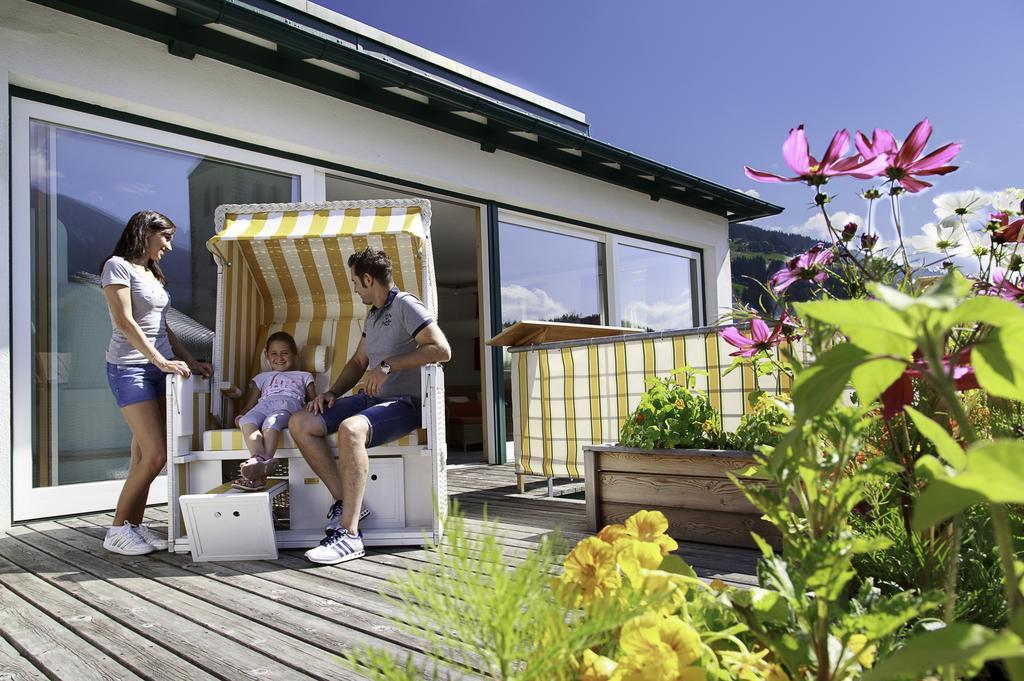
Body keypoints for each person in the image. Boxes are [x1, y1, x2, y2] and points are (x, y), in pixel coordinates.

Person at [289, 247, 450, 565]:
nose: (354, 288)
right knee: (301, 422)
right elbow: (359, 361)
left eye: (354, 282)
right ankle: (346, 501)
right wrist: (331, 392)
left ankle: (349, 536)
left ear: (367, 279)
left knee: (351, 429)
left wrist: (388, 365)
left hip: (406, 403)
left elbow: (441, 349)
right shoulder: (373, 314)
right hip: (370, 399)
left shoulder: (406, 304)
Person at [100, 210, 212, 555]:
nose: (169, 245)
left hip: (158, 370)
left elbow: (163, 327)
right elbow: (124, 321)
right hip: (129, 369)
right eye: (165, 237)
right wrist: (159, 360)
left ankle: (134, 524)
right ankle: (116, 530)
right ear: (145, 233)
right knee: (156, 453)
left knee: (141, 453)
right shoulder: (116, 266)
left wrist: (191, 361)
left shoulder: (150, 273)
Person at [231, 331, 315, 491]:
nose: (279, 358)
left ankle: (257, 473)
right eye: (274, 354)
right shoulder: (262, 377)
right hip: (264, 405)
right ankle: (260, 462)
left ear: (294, 354)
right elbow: (251, 404)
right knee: (247, 420)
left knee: (271, 422)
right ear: (267, 356)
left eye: (285, 353)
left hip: (288, 405)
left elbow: (313, 401)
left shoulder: (304, 376)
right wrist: (242, 414)